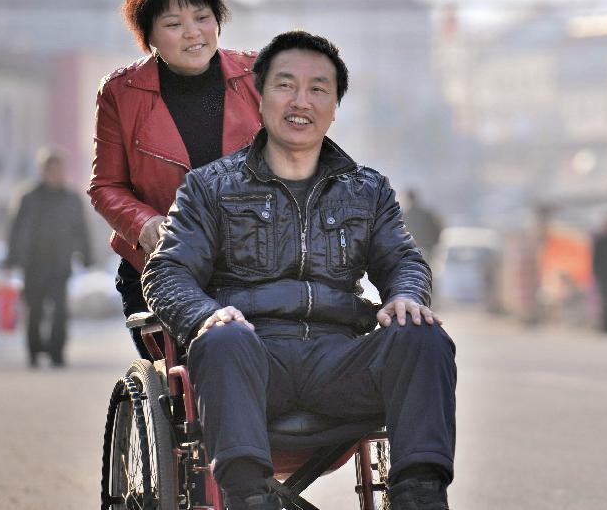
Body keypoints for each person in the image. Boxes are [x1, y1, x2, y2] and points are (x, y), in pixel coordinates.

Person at [143, 31, 456, 510]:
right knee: (222, 338)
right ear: (259, 96)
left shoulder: (367, 190)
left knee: (423, 336)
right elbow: (167, 271)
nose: (301, 102)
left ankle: (419, 495)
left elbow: (403, 261)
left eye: (317, 89)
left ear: (334, 107)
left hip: (339, 363)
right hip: (251, 358)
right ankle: (249, 498)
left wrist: (406, 295)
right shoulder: (209, 187)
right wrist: (205, 316)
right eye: (286, 85)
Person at [88, 0, 262, 359]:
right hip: (161, 266)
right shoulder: (121, 93)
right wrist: (144, 224)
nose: (192, 33)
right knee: (199, 371)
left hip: (253, 267)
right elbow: (106, 186)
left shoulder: (259, 76)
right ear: (148, 34)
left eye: (202, 17)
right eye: (173, 24)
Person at [7, 150, 93, 367]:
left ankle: (57, 352)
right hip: (33, 264)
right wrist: (12, 258)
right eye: (51, 169)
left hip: (59, 263)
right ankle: (34, 351)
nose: (56, 174)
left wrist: (87, 256)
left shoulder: (71, 199)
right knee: (34, 310)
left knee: (60, 312)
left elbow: (81, 230)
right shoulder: (28, 197)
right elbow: (16, 230)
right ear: (43, 171)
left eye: (59, 169)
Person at [402, 188, 443, 262]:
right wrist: (435, 243)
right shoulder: (427, 213)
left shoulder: (405, 216)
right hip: (427, 247)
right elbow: (438, 227)